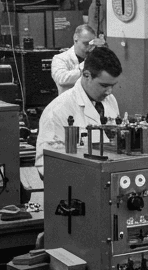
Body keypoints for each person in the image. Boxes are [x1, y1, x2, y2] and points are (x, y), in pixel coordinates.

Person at [35, 45, 121, 174]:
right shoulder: (58, 111)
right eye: (104, 85)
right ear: (86, 75)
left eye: (113, 86)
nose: (109, 91)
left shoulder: (110, 100)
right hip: (76, 181)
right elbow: (45, 166)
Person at [49, 23, 102, 93]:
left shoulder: (96, 59)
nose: (89, 47)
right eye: (86, 43)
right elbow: (61, 79)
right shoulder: (60, 58)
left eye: (92, 44)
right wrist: (87, 63)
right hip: (69, 99)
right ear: (75, 38)